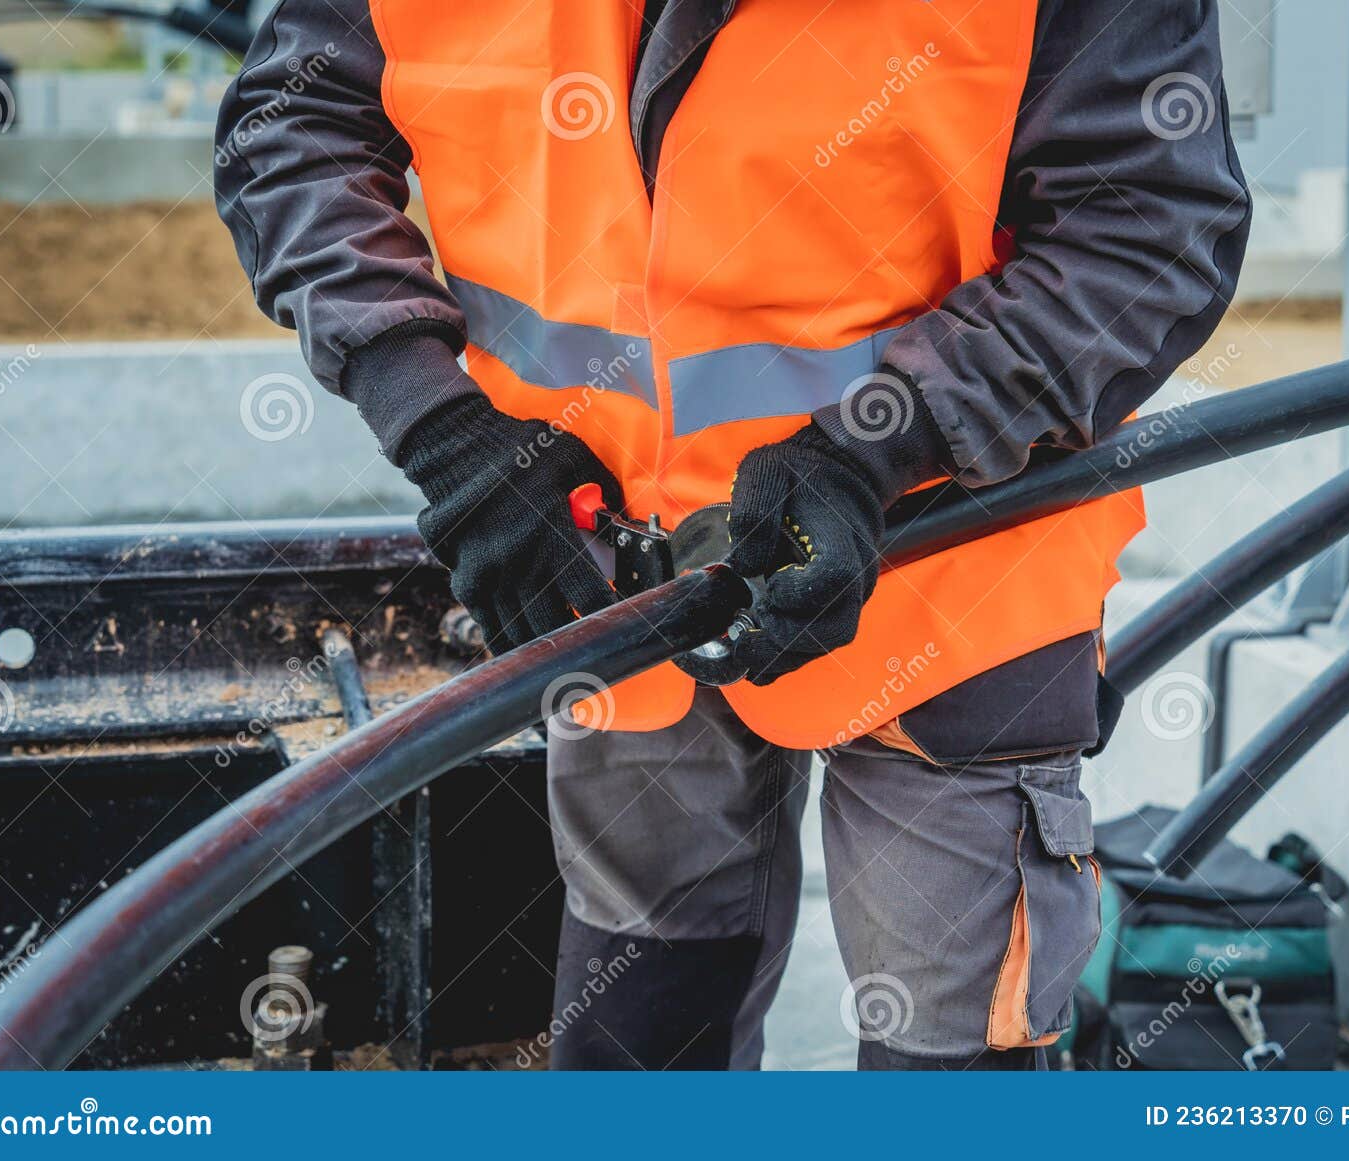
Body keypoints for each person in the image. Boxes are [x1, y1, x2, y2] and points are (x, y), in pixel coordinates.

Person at [216, 0, 1249, 1070]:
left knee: (948, 1060)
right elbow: (292, 133)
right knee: (640, 1027)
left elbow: (1144, 228)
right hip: (617, 573)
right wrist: (442, 428)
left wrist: (875, 449)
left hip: (954, 568)